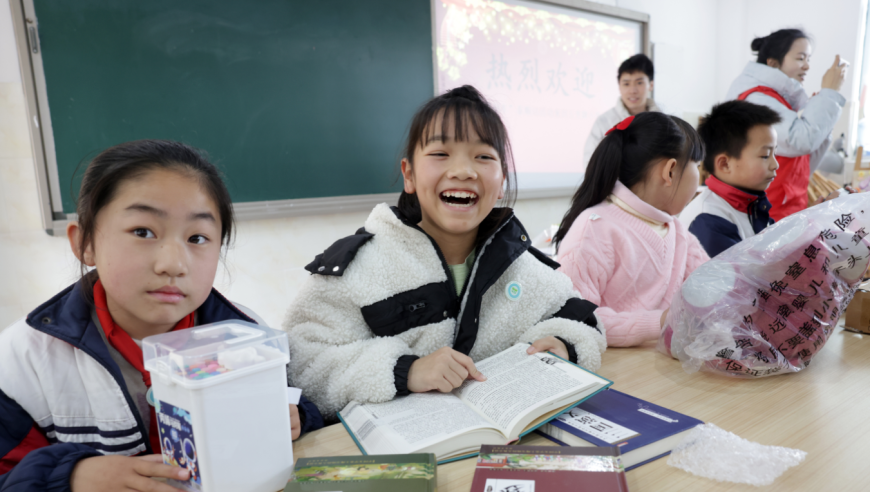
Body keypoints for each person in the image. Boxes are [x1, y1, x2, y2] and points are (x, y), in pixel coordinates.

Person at [0, 140, 322, 492]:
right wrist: (71, 477)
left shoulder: (244, 333)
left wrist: (296, 417)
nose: (173, 263)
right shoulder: (21, 362)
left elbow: (293, 406)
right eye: (143, 232)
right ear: (86, 242)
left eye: (198, 237)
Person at [283, 86, 605, 419]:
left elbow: (584, 321)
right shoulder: (358, 268)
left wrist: (563, 345)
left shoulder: (522, 266)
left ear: (502, 183)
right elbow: (303, 363)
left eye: (483, 157)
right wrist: (406, 370)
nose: (464, 171)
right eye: (440, 154)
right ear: (408, 174)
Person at [553, 112, 709, 348]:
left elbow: (711, 284)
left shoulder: (676, 230)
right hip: (615, 371)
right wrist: (658, 322)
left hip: (663, 366)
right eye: (697, 166)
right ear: (670, 171)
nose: (700, 176)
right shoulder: (594, 228)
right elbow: (577, 318)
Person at [725, 28, 848, 221]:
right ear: (773, 63)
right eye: (800, 58)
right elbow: (800, 141)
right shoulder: (756, 98)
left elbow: (802, 160)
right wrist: (829, 94)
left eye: (808, 59)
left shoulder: (774, 100)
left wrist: (821, 116)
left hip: (782, 210)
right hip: (766, 213)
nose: (807, 66)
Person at [680, 100, 783, 257]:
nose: (775, 165)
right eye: (765, 156)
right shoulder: (709, 220)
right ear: (725, 164)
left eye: (774, 153)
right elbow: (745, 278)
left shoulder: (752, 204)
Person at [582, 54, 662, 170]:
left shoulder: (663, 122)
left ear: (651, 85)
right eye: (626, 84)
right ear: (619, 86)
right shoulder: (604, 123)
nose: (632, 90)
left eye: (639, 83)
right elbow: (590, 164)